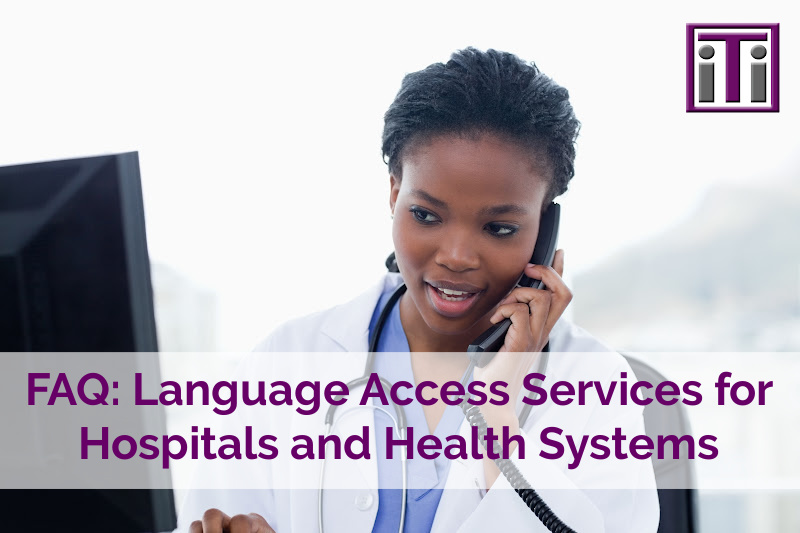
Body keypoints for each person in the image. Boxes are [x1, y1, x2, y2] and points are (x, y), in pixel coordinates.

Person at [182, 47, 659, 532]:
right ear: (394, 193)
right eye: (426, 215)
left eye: (499, 228)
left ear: (544, 230)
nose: (456, 256)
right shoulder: (288, 359)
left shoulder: (595, 386)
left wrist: (499, 415)